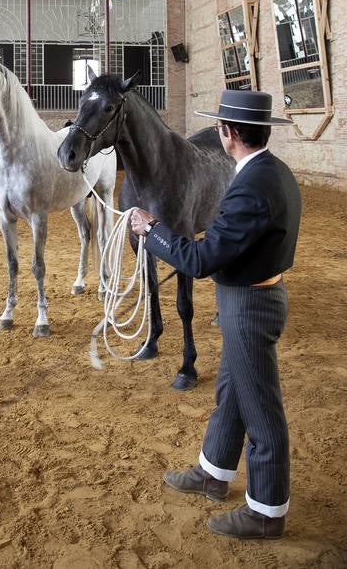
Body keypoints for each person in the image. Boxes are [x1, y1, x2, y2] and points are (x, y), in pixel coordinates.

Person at [129, 89, 301, 541]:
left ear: (227, 134)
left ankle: (266, 512)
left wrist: (153, 232)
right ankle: (213, 471)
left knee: (261, 410)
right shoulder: (272, 171)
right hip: (250, 298)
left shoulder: (250, 186)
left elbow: (203, 259)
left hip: (249, 305)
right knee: (231, 393)